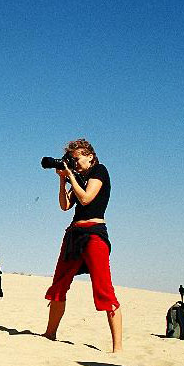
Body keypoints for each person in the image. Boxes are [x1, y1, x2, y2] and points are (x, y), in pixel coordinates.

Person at [43, 139, 122, 352]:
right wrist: (63, 180)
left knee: (104, 289)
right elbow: (65, 205)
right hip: (74, 234)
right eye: (72, 160)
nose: (74, 163)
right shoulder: (78, 178)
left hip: (94, 234)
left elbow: (86, 198)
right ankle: (49, 334)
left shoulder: (100, 171)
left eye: (76, 159)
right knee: (59, 284)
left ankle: (118, 348)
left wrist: (71, 176)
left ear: (90, 156)